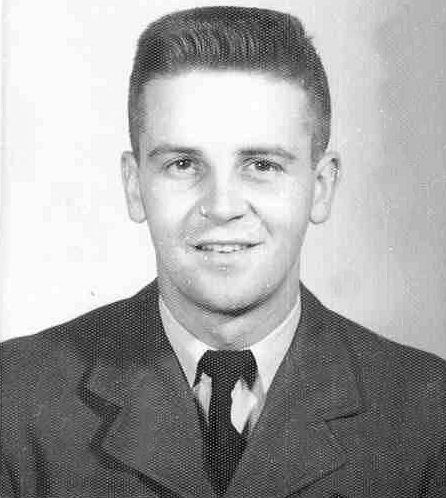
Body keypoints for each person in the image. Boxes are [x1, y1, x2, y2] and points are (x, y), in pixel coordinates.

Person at [1, 6, 445, 498]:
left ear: (320, 187)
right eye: (183, 164)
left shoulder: (430, 415)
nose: (221, 206)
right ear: (134, 185)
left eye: (261, 165)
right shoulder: (14, 400)